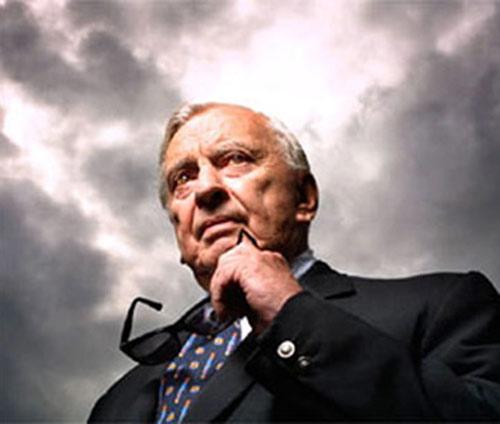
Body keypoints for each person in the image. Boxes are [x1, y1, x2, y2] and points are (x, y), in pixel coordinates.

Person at [89, 103, 500, 422]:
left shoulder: (442, 306)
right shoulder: (118, 400)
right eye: (183, 178)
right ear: (178, 230)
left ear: (304, 198)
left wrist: (292, 314)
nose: (205, 188)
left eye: (235, 159)